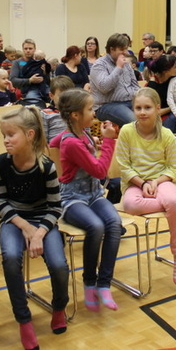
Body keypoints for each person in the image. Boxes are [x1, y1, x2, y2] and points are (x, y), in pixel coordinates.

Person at [116, 88, 176, 283]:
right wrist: (142, 183)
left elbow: (174, 168)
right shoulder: (126, 131)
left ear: (158, 109)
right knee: (131, 205)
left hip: (161, 181)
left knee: (172, 201)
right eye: (138, 108)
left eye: (147, 107)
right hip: (135, 183)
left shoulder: (167, 134)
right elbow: (124, 166)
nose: (142, 112)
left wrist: (155, 182)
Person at [0, 107, 69, 350]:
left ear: (29, 135)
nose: (6, 140)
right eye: (4, 135)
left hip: (44, 220)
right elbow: (1, 202)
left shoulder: (46, 166)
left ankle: (59, 307)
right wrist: (25, 227)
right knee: (11, 258)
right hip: (14, 220)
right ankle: (24, 320)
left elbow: (55, 207)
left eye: (11, 134)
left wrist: (39, 233)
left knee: (58, 265)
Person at [49, 89, 121, 312]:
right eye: (89, 109)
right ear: (75, 115)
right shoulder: (71, 142)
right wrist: (108, 141)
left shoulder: (82, 133)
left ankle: (104, 284)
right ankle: (90, 281)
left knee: (114, 223)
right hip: (72, 199)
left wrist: (92, 145)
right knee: (96, 226)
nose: (94, 112)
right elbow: (100, 171)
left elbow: (53, 143)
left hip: (93, 195)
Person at [90, 32, 140, 127]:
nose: (125, 52)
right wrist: (118, 67)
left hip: (130, 102)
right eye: (122, 49)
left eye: (126, 49)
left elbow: (135, 85)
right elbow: (104, 87)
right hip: (106, 106)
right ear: (112, 49)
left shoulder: (126, 64)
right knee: (134, 122)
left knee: (151, 117)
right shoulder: (99, 65)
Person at [9, 39, 50, 106]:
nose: (28, 50)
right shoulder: (17, 63)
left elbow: (48, 80)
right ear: (23, 49)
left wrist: (45, 73)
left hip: (44, 88)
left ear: (34, 49)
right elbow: (13, 80)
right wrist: (29, 80)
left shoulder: (40, 61)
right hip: (28, 90)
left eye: (30, 48)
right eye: (26, 48)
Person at [43, 76, 76, 142]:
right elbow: (43, 141)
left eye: (69, 96)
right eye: (61, 96)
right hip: (54, 147)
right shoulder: (45, 114)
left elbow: (86, 137)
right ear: (51, 96)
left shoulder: (77, 113)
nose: (65, 99)